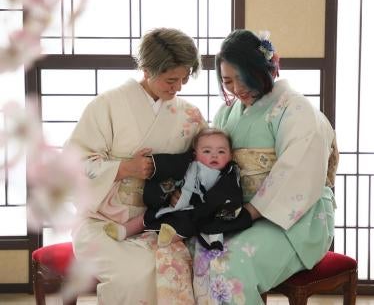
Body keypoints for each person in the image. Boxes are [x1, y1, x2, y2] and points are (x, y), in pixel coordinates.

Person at [193, 29, 338, 305]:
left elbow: (296, 171)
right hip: (242, 213)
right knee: (198, 253)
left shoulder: (296, 109)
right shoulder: (226, 113)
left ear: (264, 68)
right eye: (227, 81)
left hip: (295, 219)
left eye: (243, 78)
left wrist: (248, 214)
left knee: (229, 265)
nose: (237, 88)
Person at [65, 27, 206, 305]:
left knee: (186, 267)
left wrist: (185, 192)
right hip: (101, 222)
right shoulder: (107, 105)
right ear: (147, 69)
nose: (177, 87)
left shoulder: (189, 115)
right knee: (135, 273)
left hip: (159, 221)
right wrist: (124, 169)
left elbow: (203, 163)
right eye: (170, 79)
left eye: (183, 79)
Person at [104, 128, 253, 251]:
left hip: (200, 211)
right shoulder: (189, 165)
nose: (214, 155)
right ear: (195, 154)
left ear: (230, 155)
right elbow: (172, 168)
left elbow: (231, 194)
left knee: (186, 225)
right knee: (151, 214)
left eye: (221, 152)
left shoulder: (229, 173)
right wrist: (166, 186)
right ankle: (124, 230)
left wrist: (219, 207)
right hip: (177, 202)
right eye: (207, 151)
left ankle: (167, 237)